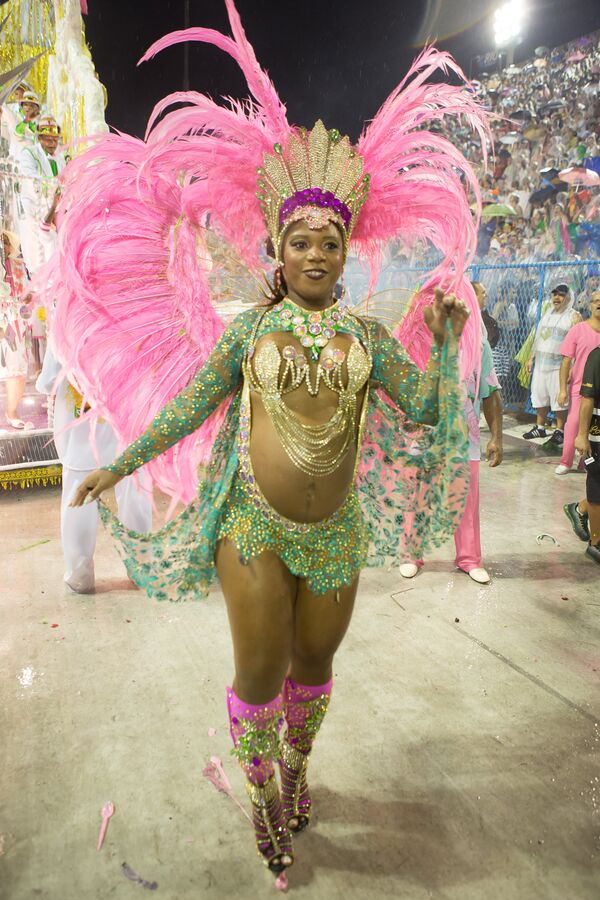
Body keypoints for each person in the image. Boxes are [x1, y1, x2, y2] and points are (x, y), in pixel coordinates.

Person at [49, 1, 491, 880]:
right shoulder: (250, 334)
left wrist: (441, 348)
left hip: (336, 539)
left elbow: (433, 416)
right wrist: (121, 465)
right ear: (279, 253)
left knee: (314, 667)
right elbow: (185, 410)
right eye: (302, 241)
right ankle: (264, 801)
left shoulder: (366, 338)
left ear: (342, 247)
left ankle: (295, 768)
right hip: (251, 531)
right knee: (259, 672)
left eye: (331, 240)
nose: (319, 253)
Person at [399, 281, 503, 584]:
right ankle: (410, 554)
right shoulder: (415, 342)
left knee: (466, 502)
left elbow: (490, 392)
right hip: (422, 440)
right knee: (416, 498)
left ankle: (469, 558)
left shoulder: (478, 346)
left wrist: (496, 437)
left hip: (464, 441)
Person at [36, 340, 153, 592]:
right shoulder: (139, 305)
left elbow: (48, 382)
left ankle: (80, 574)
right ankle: (142, 568)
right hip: (131, 415)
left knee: (79, 494)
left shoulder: (68, 316)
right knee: (136, 487)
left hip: (81, 424)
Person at [523, 283, 581, 445]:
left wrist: (573, 367)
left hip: (560, 366)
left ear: (568, 298)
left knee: (559, 399)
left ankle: (559, 430)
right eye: (555, 294)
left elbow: (578, 343)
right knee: (539, 394)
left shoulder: (573, 316)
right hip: (542, 364)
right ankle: (540, 428)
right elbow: (538, 338)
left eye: (561, 295)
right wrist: (531, 358)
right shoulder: (547, 314)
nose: (557, 297)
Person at [555, 290, 600, 474]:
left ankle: (586, 463)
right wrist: (562, 390)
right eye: (596, 301)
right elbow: (566, 361)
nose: (599, 304)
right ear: (590, 305)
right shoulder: (578, 330)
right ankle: (566, 461)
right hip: (580, 388)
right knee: (574, 423)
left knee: (594, 428)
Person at [564, 346, 600, 566]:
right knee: (597, 484)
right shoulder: (597, 356)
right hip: (598, 432)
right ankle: (596, 543)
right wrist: (582, 435)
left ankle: (578, 509)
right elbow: (587, 398)